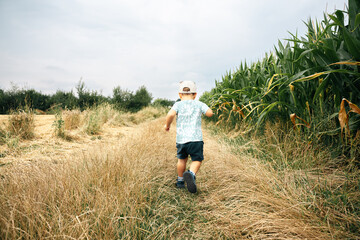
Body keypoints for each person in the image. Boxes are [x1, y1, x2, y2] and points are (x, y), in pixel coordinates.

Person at [164, 81, 214, 193]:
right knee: (197, 160)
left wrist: (167, 125)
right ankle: (191, 174)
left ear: (180, 95)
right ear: (195, 95)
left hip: (181, 140)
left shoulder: (177, 104)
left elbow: (171, 114)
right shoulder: (199, 104)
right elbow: (210, 113)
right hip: (196, 139)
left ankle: (180, 181)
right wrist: (206, 109)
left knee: (181, 160)